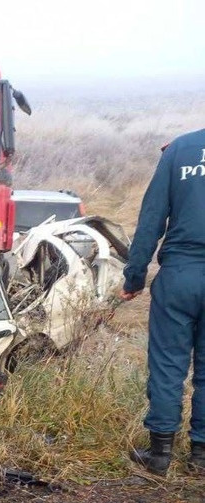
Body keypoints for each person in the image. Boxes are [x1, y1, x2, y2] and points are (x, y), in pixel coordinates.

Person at [121, 128, 205, 476]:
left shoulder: (180, 149)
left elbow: (151, 218)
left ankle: (159, 456)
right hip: (183, 271)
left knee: (168, 365)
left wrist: (134, 276)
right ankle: (201, 457)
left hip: (180, 276)